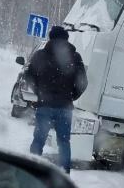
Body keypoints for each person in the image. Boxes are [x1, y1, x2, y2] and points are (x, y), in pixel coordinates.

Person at [26, 25, 88, 174]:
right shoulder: (75, 56)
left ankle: (31, 171)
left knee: (38, 140)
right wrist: (72, 96)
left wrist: (39, 92)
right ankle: (64, 174)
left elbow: (28, 76)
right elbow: (83, 82)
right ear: (66, 39)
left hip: (44, 106)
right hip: (65, 107)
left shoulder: (40, 55)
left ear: (50, 37)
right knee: (64, 142)